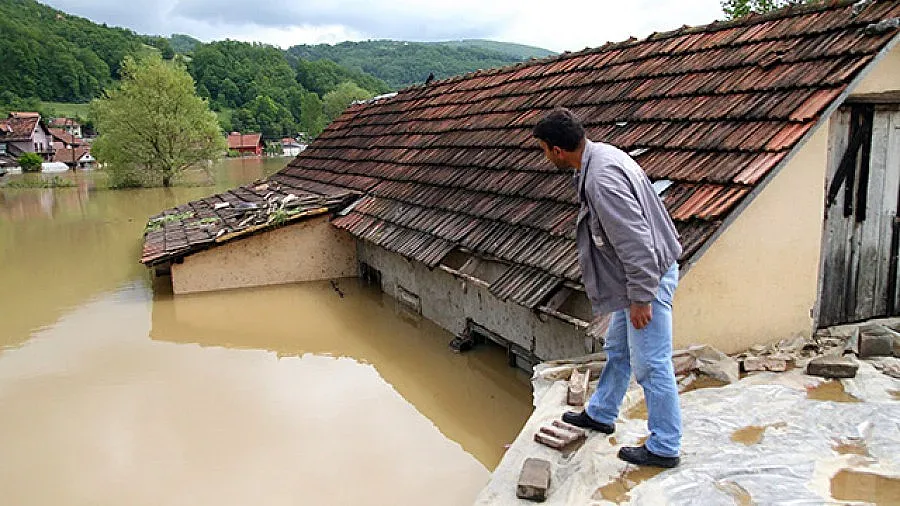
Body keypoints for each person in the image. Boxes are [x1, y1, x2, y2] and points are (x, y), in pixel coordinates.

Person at [532, 108, 683, 468]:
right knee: (618, 348)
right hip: (637, 280)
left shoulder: (601, 179)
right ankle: (601, 412)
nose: (544, 156)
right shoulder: (603, 156)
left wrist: (642, 297)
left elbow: (636, 243)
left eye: (542, 149)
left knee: (652, 364)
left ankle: (665, 446)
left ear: (557, 150)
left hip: (647, 281)